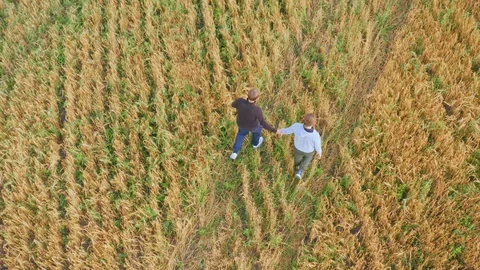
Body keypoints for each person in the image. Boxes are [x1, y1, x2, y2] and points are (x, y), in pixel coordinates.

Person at [230, 88, 280, 160]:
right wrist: (275, 130)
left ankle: (235, 152)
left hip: (241, 124)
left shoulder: (240, 101)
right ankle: (255, 144)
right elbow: (263, 123)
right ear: (256, 99)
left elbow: (233, 104)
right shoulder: (257, 110)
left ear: (248, 95)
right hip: (253, 126)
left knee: (241, 134)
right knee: (258, 130)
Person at [278, 113, 322, 179]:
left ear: (304, 119)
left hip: (297, 148)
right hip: (308, 152)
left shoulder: (296, 126)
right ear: (314, 123)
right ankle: (300, 171)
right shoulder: (315, 135)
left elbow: (287, 130)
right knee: (306, 160)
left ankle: (296, 167)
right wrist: (319, 153)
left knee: (297, 158)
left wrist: (281, 131)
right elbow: (317, 147)